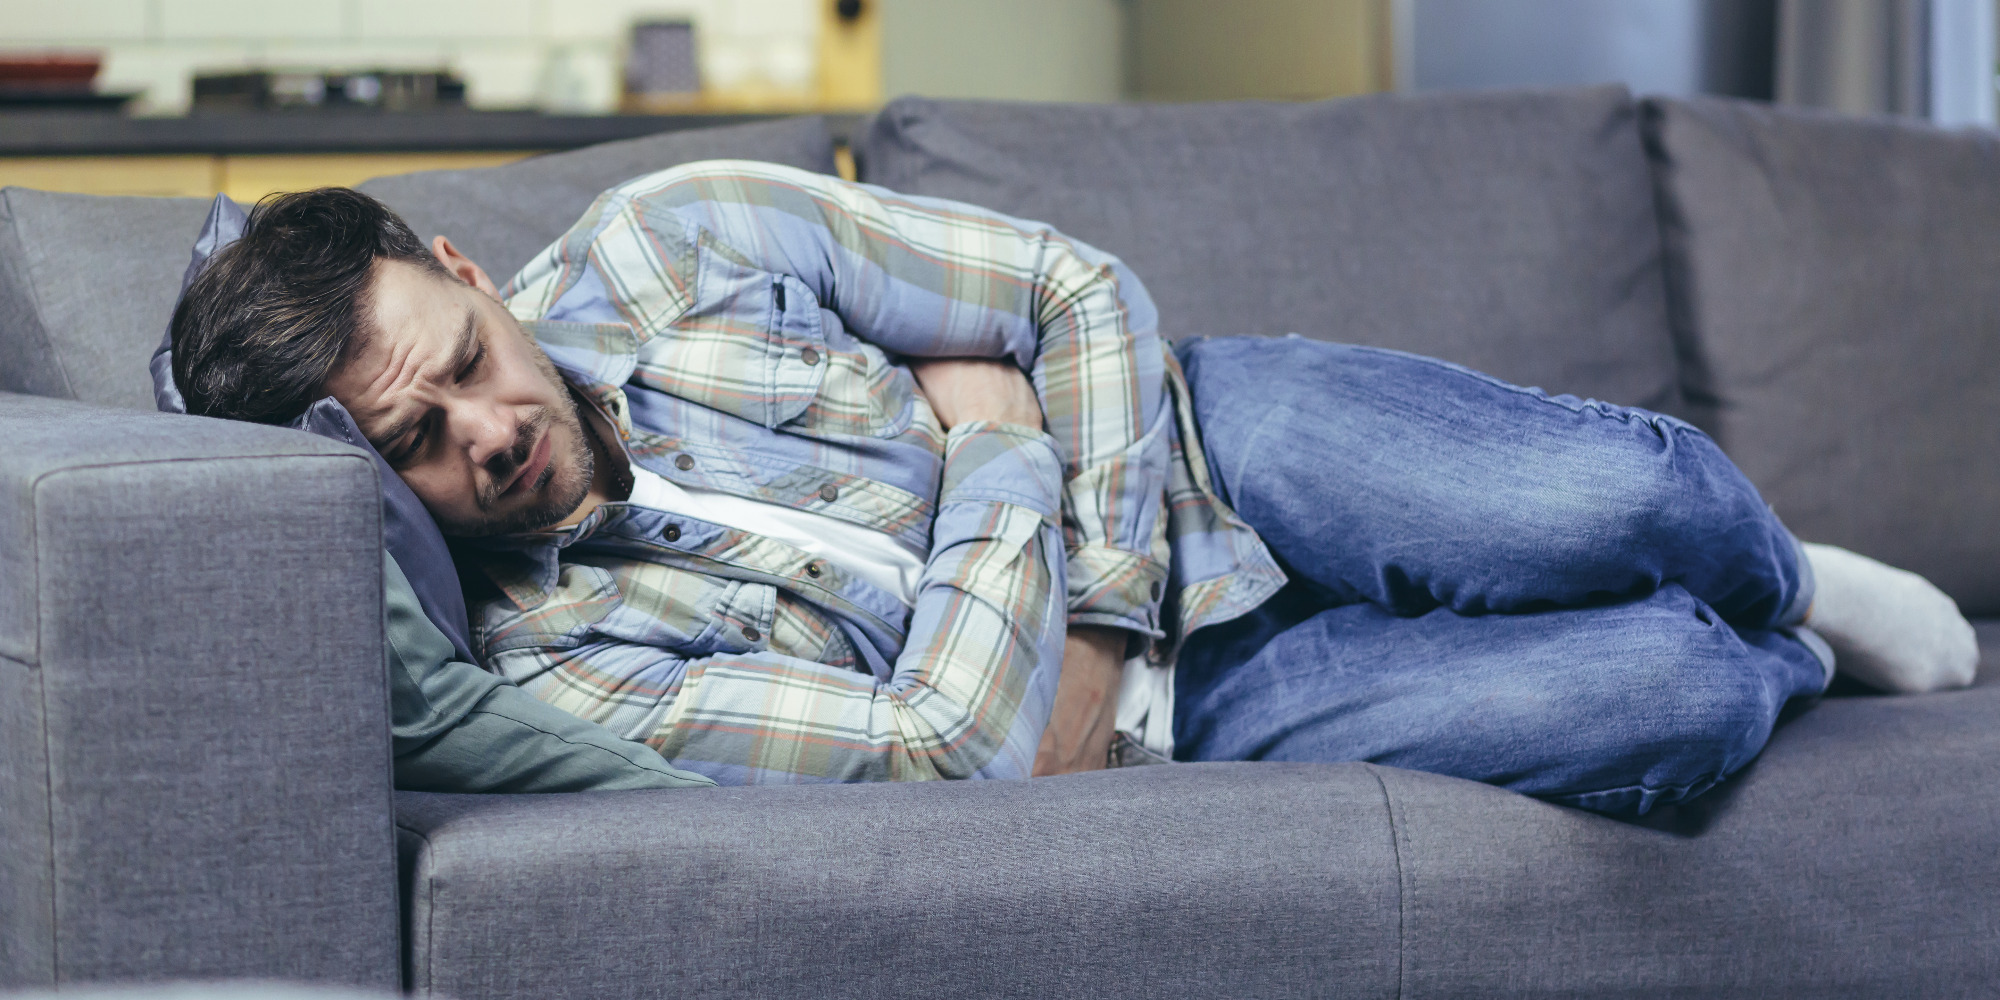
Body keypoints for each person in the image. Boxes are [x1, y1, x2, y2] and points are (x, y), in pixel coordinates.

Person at [168, 162, 1980, 813]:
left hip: (1203, 449)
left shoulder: (667, 239)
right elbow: (949, 765)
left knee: (1607, 511)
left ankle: (1785, 572)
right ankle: (1774, 647)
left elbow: (1069, 293)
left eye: (463, 364)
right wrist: (989, 442)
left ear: (469, 270)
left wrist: (1084, 611)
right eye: (411, 444)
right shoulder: (558, 665)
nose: (479, 431)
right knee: (1658, 693)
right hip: (1209, 718)